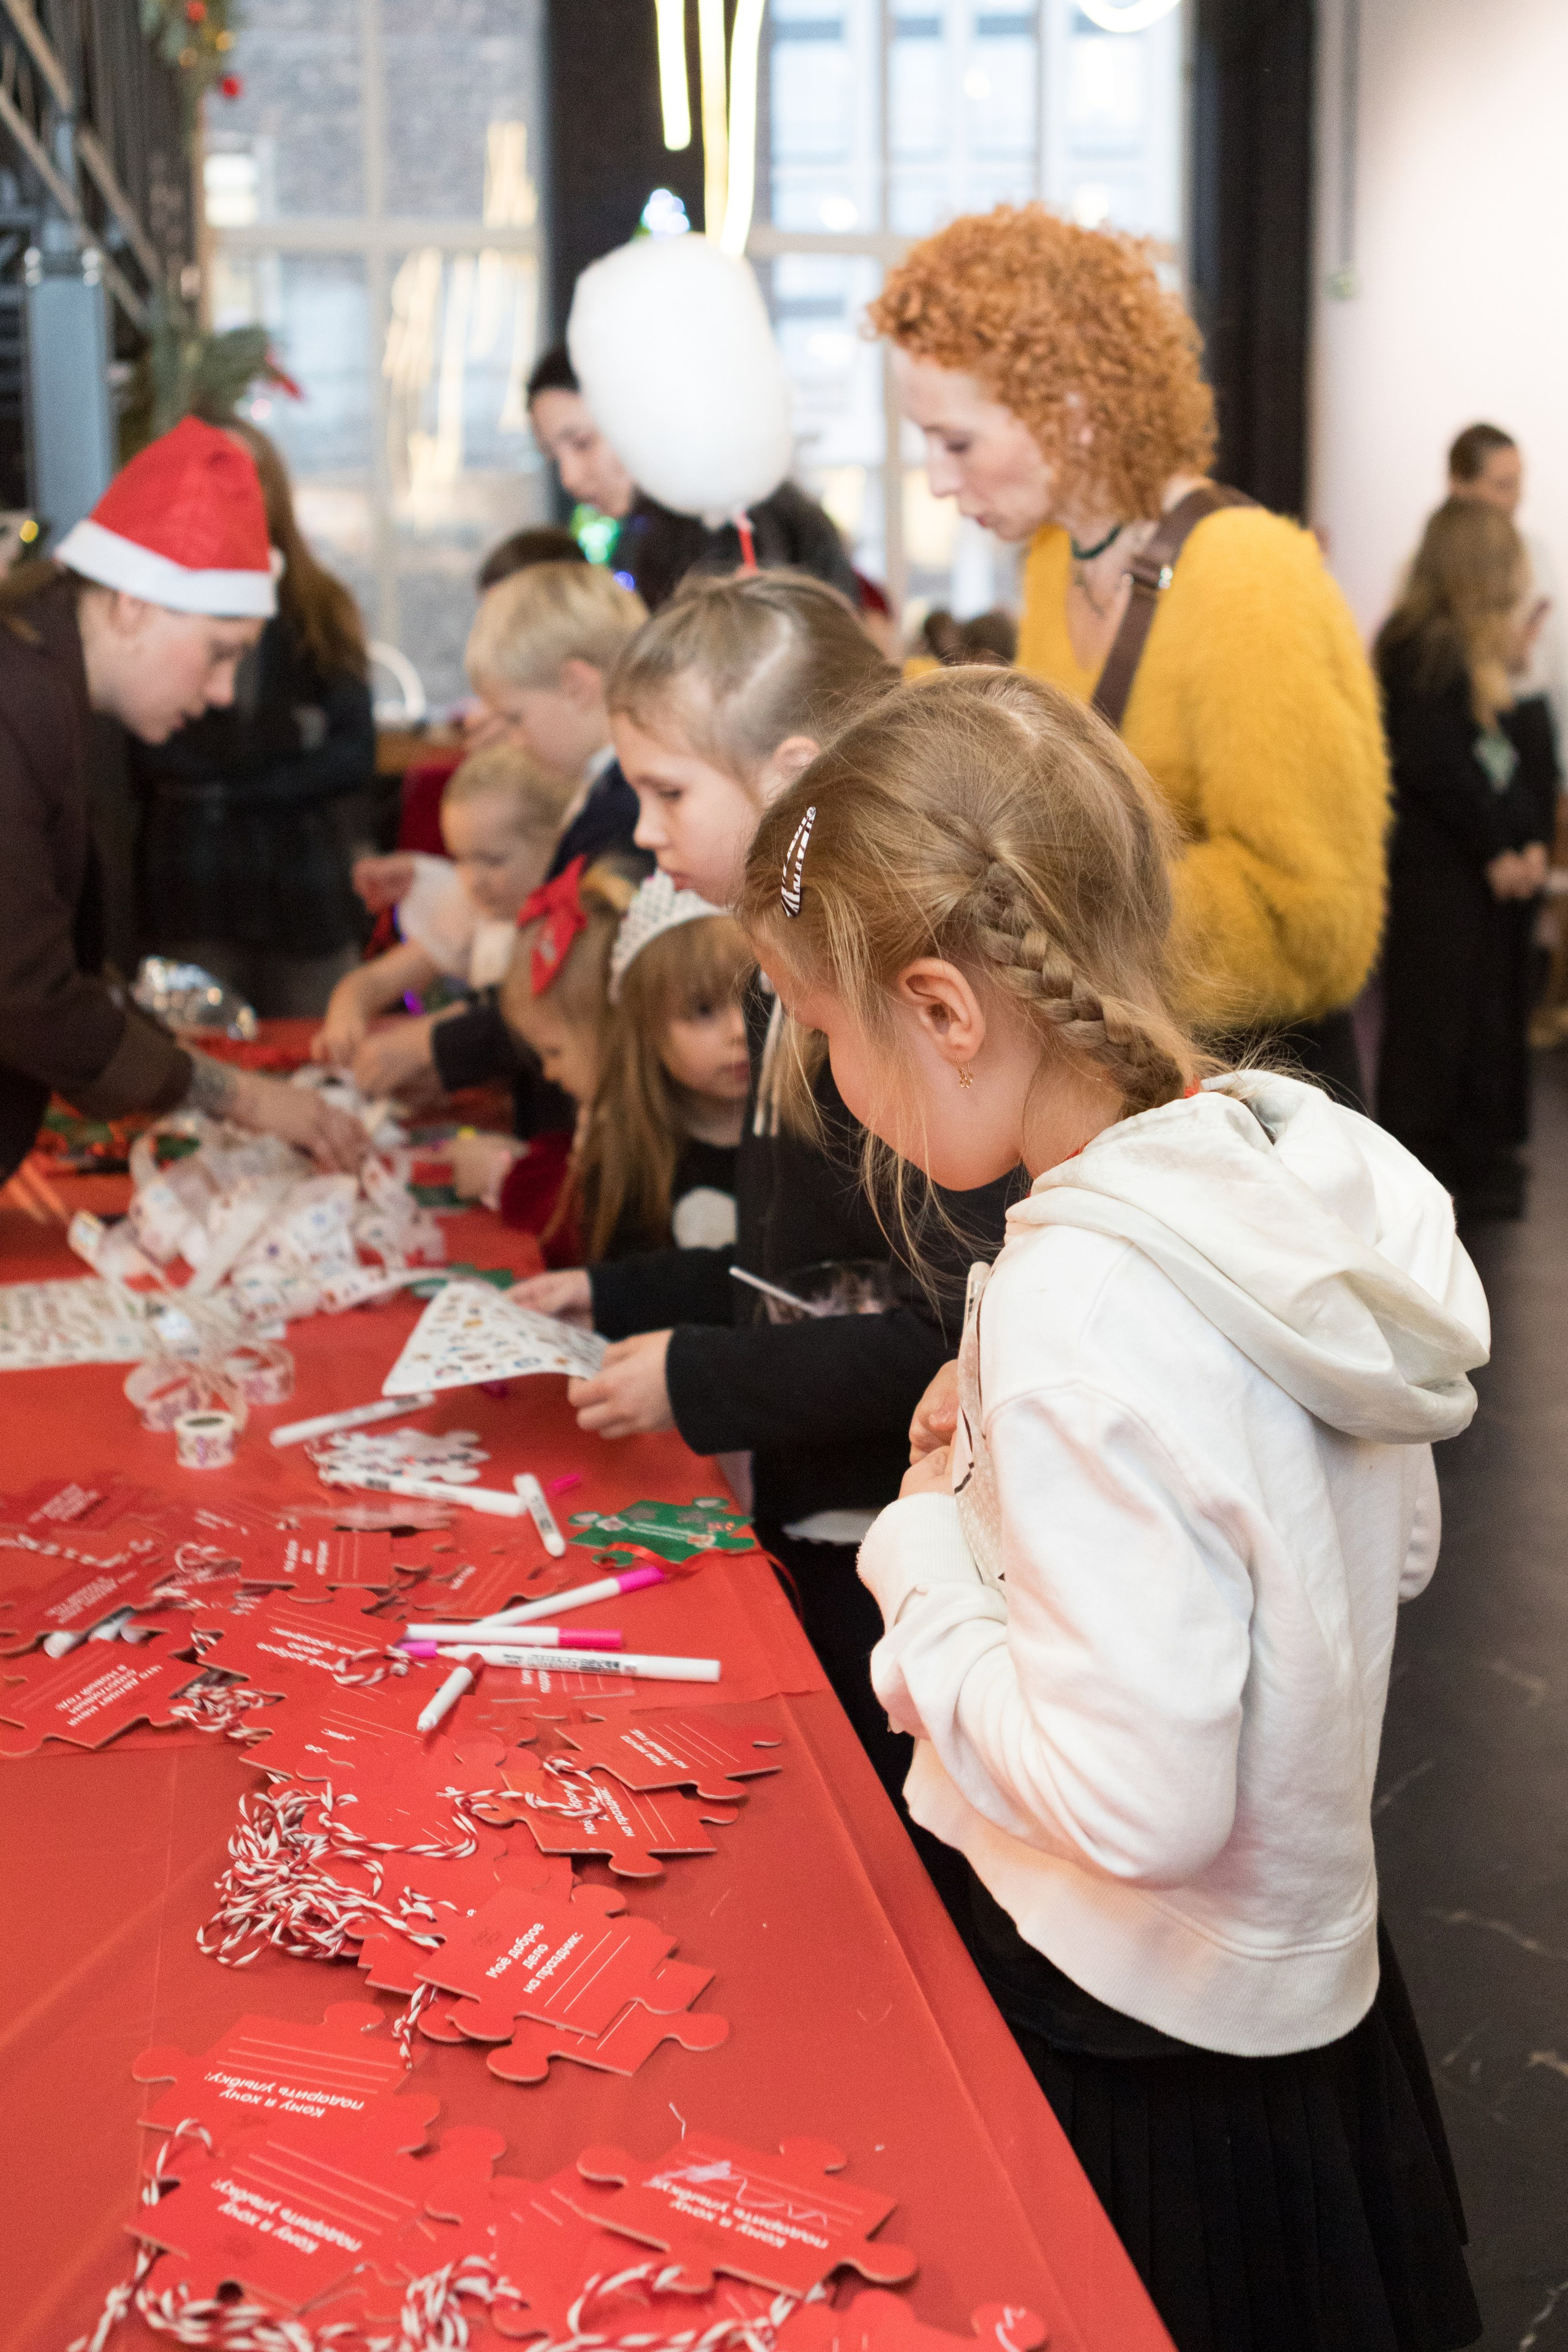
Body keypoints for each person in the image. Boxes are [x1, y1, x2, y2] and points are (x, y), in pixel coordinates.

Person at [738, 663, 1485, 2352]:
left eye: (832, 1035)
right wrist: (1030, 1465)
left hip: (1138, 2026)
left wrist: (930, 1548)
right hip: (1313, 2004)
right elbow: (1390, 1541)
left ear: (941, 1011)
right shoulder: (1281, 1177)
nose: (838, 1089)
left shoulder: (1085, 1295)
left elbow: (1135, 1805)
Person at [510, 574, 1017, 1862]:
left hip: (905, 1547)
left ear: (791, 774)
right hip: (816, 1508)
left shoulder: (899, 1008)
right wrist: (620, 1300)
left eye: (669, 791)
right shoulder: (775, 981)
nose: (640, 827)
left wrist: (699, 1372)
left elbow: (942, 1333)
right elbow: (797, 1266)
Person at [869, 206, 1388, 1099]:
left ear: (1069, 413)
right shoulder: (1053, 561)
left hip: (1259, 1098)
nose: (941, 480)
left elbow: (1317, 927)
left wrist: (1063, 893)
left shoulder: (1252, 578)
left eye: (956, 442)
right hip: (1141, 1071)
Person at [0, 417, 366, 1181]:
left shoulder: (47, 686)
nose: (225, 691)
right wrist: (244, 1098)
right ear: (132, 607)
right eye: (219, 651)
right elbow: (27, 993)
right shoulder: (19, 698)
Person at [130, 419, 376, 1019]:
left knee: (326, 1061)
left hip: (305, 885)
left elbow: (353, 754)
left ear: (273, 488)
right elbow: (152, 752)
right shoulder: (149, 599)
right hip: (192, 882)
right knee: (197, 1066)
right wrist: (294, 734)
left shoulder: (321, 603)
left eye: (247, 477)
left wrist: (222, 781)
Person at [1375, 498, 1558, 1219]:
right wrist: (1496, 848)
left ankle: (1480, 1149)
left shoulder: (1488, 651)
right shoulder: (1417, 647)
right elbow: (1437, 764)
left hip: (1485, 872)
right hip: (1439, 873)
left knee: (1490, 1010)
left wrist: (1528, 843)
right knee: (1436, 1019)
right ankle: (1429, 1162)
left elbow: (1518, 763)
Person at [474, 863, 748, 1263]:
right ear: (644, 1025)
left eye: (756, 996)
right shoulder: (632, 1153)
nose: (741, 1030)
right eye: (704, 1010)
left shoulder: (803, 1128)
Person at [310, 741, 573, 1098]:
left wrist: (427, 1040)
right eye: (460, 860)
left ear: (555, 842)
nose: (473, 880)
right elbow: (375, 981)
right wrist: (348, 1010)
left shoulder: (573, 920)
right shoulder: (470, 907)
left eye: (493, 861)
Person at [526, 344, 861, 613]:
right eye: (553, 456)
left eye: (583, 443)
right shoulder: (652, 528)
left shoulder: (737, 514)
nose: (568, 478)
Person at [1447, 420, 1567, 745]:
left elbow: (1559, 662)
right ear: (1458, 486)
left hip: (1531, 725)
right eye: (1503, 485)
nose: (1516, 498)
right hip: (1464, 728)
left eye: (1519, 484)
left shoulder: (1535, 552)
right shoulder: (1434, 569)